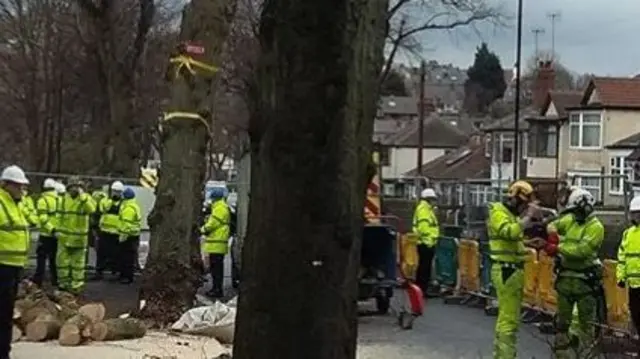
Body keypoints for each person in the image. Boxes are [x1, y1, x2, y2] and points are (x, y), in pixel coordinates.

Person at [487, 180, 543, 359]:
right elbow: (508, 232)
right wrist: (528, 218)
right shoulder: (499, 212)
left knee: (507, 318)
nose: (524, 209)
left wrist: (525, 243)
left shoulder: (508, 214)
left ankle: (502, 355)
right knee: (508, 320)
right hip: (507, 270)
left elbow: (510, 239)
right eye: (524, 205)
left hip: (509, 269)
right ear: (516, 199)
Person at [547, 188, 604, 358]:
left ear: (586, 208)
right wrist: (552, 234)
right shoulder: (571, 219)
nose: (573, 214)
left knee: (586, 325)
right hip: (565, 280)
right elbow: (553, 224)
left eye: (576, 211)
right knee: (562, 324)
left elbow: (582, 251)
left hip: (585, 283)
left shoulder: (596, 227)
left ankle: (585, 355)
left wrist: (557, 247)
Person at [0, 165, 30, 358]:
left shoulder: (16, 203)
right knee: (2, 315)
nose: (22, 190)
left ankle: (4, 351)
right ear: (6, 185)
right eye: (18, 186)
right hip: (2, 266)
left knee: (5, 315)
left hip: (13, 267)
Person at [56, 177, 96, 294]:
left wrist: (83, 197)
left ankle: (77, 286)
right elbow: (59, 217)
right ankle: (63, 284)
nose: (75, 189)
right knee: (62, 263)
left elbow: (92, 210)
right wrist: (56, 231)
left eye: (77, 186)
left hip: (79, 239)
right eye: (73, 186)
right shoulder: (63, 200)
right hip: (64, 238)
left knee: (78, 265)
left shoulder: (86, 199)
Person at [200, 188, 231, 298]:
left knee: (216, 270)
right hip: (217, 243)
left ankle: (217, 290)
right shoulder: (220, 207)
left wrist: (203, 229)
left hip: (216, 243)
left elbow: (213, 223)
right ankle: (216, 288)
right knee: (216, 268)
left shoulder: (219, 208)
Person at [617, 195, 640, 338]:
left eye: (638, 213)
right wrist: (621, 276)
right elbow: (622, 257)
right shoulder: (628, 233)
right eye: (634, 213)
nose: (636, 216)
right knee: (636, 315)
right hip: (633, 284)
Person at [92, 181, 124, 280]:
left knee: (116, 254)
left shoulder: (123, 203)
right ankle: (99, 271)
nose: (116, 193)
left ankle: (116, 272)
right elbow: (102, 208)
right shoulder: (106, 201)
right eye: (114, 191)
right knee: (101, 253)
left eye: (118, 192)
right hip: (104, 231)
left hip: (116, 232)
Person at [412, 188, 440, 297]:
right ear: (429, 199)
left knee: (424, 267)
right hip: (426, 243)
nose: (434, 202)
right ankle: (422, 290)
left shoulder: (426, 209)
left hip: (425, 242)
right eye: (433, 199)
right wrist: (430, 240)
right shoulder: (424, 209)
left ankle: (421, 289)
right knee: (424, 268)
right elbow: (423, 228)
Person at [32, 178, 59, 286]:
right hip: (57, 234)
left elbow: (43, 219)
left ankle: (38, 280)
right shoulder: (59, 199)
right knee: (54, 259)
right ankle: (55, 280)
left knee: (41, 258)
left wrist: (50, 229)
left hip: (46, 234)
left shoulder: (42, 201)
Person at [117, 187, 141, 284]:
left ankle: (127, 277)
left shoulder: (128, 208)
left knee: (127, 258)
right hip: (133, 235)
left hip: (128, 236)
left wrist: (123, 237)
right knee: (128, 257)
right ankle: (126, 276)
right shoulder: (133, 205)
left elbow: (127, 224)